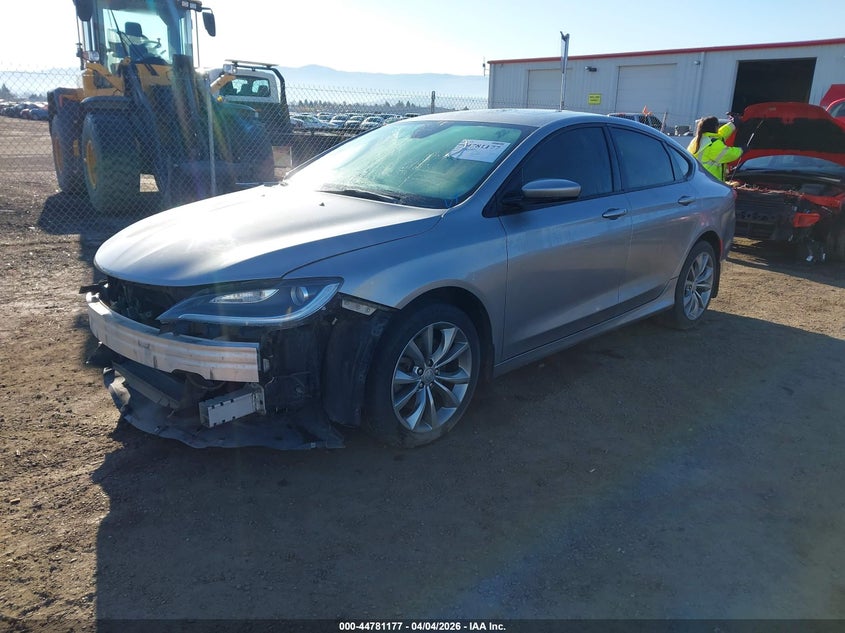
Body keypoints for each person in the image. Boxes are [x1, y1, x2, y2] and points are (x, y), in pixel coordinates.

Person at [687, 115, 743, 181]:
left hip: (699, 178)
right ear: (715, 127)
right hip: (711, 181)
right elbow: (729, 154)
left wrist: (732, 125)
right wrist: (741, 150)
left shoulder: (698, 140)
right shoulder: (713, 144)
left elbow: (720, 134)